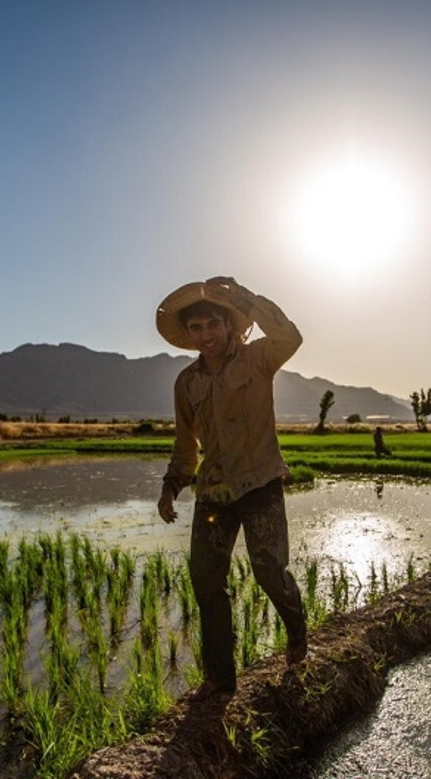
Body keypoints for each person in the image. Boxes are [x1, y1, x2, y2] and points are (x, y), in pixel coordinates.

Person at [155, 276, 307, 703]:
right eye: (196, 328)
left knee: (269, 573)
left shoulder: (258, 358)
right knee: (206, 581)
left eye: (212, 325)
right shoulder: (187, 383)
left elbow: (289, 336)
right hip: (214, 492)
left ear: (229, 326)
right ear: (188, 335)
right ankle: (221, 678)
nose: (205, 335)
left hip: (259, 483)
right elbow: (185, 443)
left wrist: (243, 297)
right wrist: (172, 487)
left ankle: (297, 634)